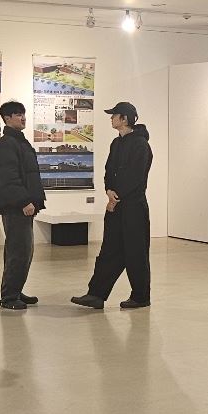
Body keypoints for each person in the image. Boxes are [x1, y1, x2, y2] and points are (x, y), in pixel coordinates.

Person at [72, 102, 153, 310]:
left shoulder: (141, 145)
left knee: (136, 252)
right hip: (116, 205)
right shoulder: (116, 143)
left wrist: (116, 197)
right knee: (109, 250)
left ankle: (141, 297)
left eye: (114, 115)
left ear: (124, 118)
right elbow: (109, 170)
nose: (111, 118)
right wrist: (109, 190)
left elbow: (135, 176)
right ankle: (96, 294)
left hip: (133, 207)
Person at [0, 100, 45, 311]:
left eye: (23, 114)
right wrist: (24, 201)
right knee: (19, 251)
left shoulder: (19, 142)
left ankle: (15, 290)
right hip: (16, 206)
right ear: (7, 118)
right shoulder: (6, 145)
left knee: (23, 251)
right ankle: (9, 297)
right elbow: (8, 178)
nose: (23, 118)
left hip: (24, 205)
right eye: (18, 114)